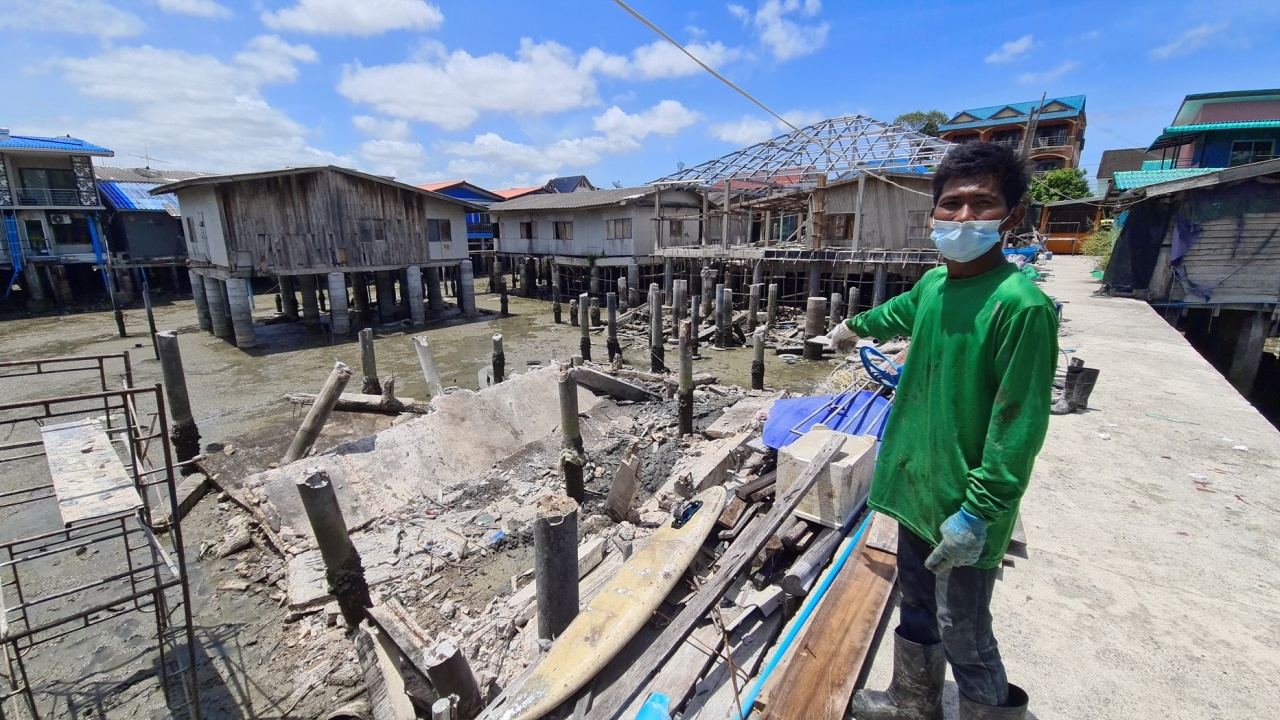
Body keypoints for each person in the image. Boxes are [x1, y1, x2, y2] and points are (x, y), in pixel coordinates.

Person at [828, 142, 1058, 720]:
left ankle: (986, 711)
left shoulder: (1021, 306)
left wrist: (979, 513)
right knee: (917, 604)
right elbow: (897, 312)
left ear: (1012, 216)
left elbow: (1018, 428)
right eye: (951, 204)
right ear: (933, 212)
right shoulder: (934, 284)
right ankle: (913, 702)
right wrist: (852, 326)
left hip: (964, 504)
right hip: (915, 489)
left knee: (966, 632)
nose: (963, 217)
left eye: (982, 204)